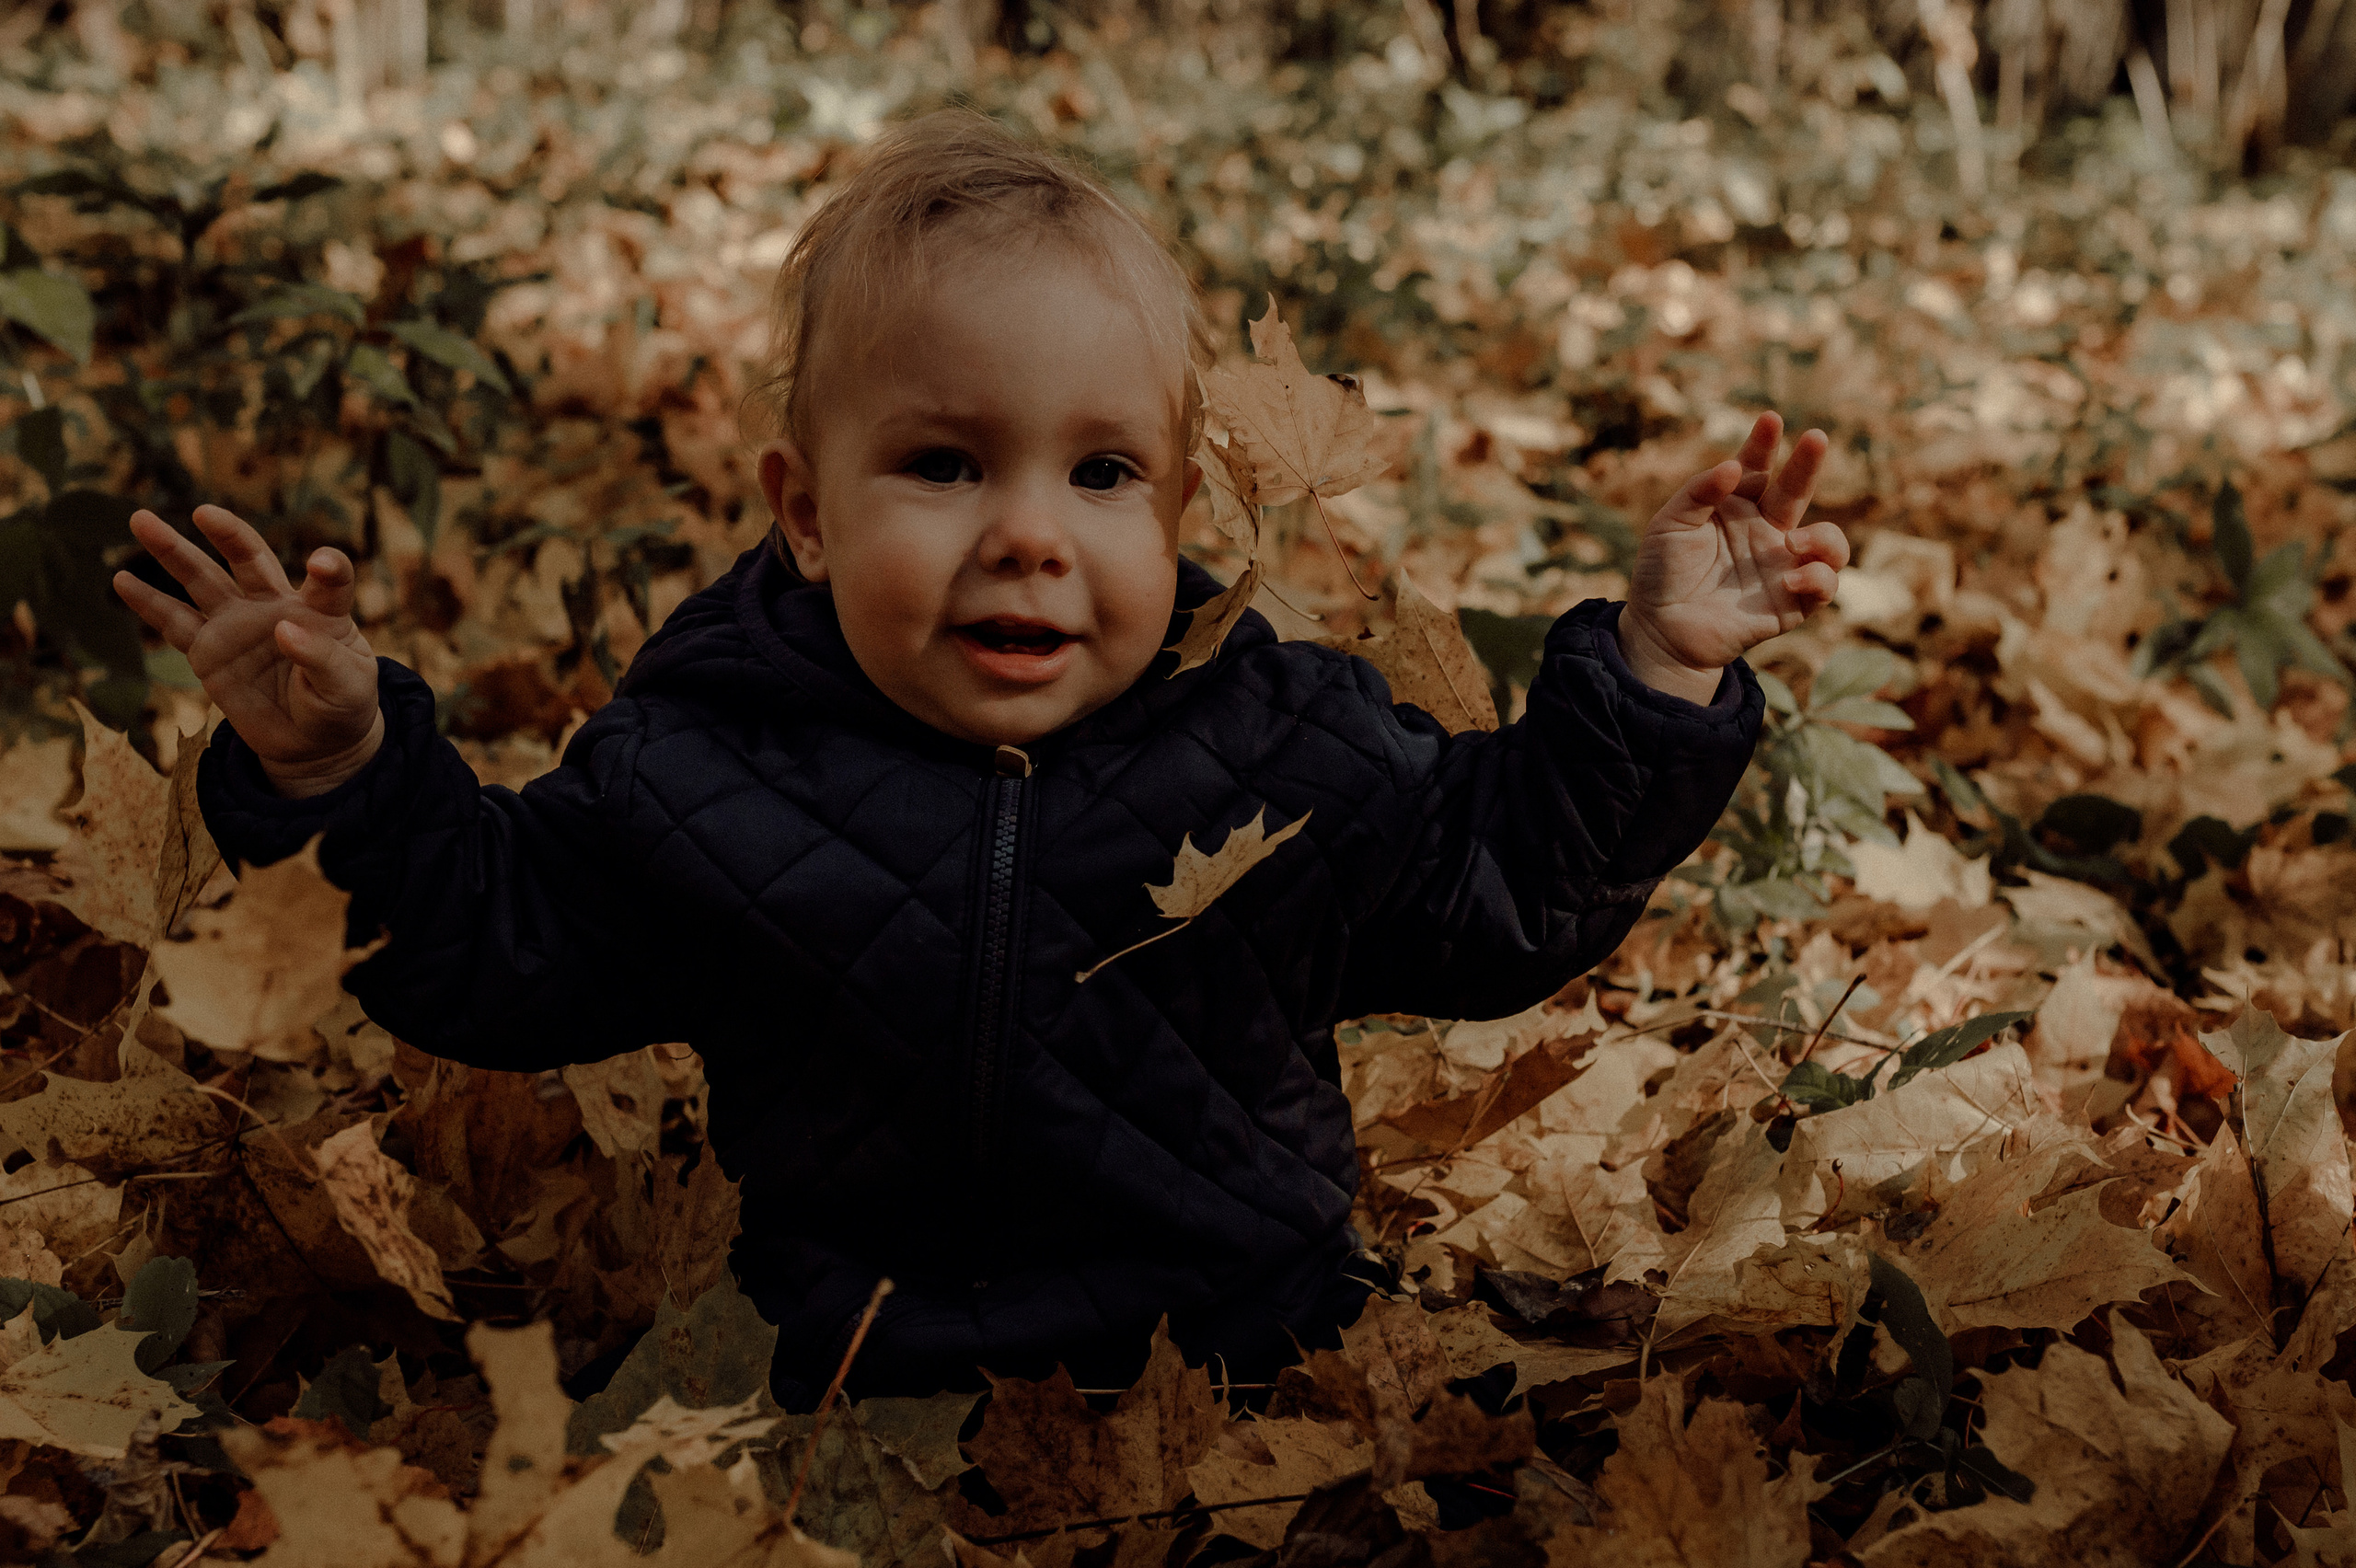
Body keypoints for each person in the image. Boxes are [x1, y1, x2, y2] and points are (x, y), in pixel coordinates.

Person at [113, 110, 1845, 1407]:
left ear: (1183, 511)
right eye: (945, 463)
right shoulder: (705, 764)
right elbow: (491, 947)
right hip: (845, 1379)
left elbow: (1508, 896)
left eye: (1102, 477)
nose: (1030, 534)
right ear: (803, 510)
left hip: (1246, 1375)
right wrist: (343, 767)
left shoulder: (1283, 742)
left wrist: (1657, 670)